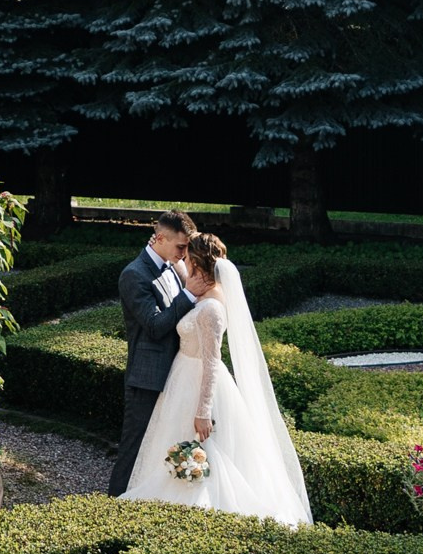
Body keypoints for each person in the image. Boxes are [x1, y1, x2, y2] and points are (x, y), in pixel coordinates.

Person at [117, 233, 313, 525]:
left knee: (208, 455)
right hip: (181, 380)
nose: (182, 262)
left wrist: (203, 411)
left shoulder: (210, 307)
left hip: (197, 385)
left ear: (197, 263)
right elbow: (179, 273)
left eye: (187, 258)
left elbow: (212, 362)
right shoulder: (202, 292)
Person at [110, 211, 198, 497]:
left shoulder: (172, 266)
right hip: (146, 377)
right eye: (181, 247)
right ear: (160, 238)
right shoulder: (133, 275)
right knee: (134, 448)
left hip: (174, 372)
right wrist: (188, 296)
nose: (184, 254)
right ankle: (113, 504)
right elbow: (155, 325)